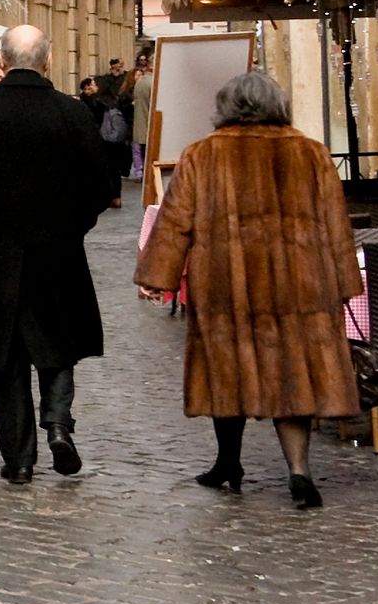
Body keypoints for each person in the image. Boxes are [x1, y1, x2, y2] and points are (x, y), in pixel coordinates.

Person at [133, 69, 359, 511]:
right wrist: (345, 283)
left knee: (225, 372)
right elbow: (337, 227)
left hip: (225, 285)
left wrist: (157, 278)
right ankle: (299, 471)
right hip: (299, 286)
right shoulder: (312, 154)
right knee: (292, 376)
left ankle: (229, 463)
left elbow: (176, 222)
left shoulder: (203, 154)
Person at [0, 24, 121, 483]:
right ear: (49, 59)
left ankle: (19, 459)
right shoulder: (71, 113)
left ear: (2, 60)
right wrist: (72, 226)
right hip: (57, 251)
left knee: (6, 357)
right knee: (59, 345)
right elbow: (102, 185)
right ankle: (58, 421)